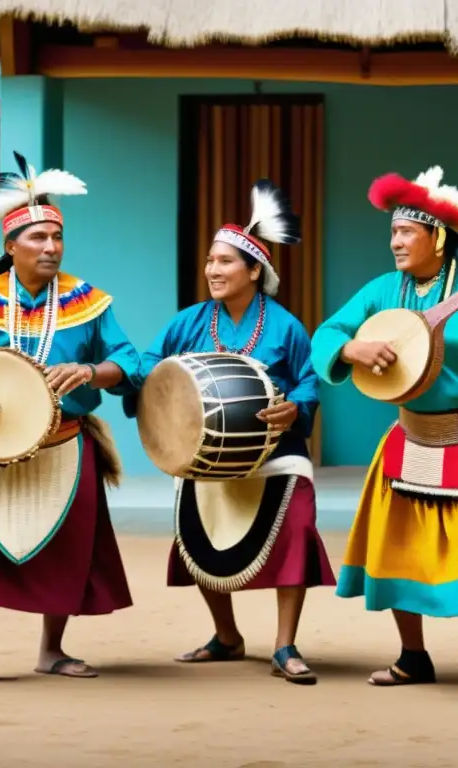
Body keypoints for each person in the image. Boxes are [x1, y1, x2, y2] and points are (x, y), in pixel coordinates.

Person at [0, 151, 141, 686]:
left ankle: (53, 650)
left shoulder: (89, 302)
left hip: (66, 443)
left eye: (57, 238)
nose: (51, 248)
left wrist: (89, 371)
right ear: (10, 246)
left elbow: (128, 362)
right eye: (38, 239)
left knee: (66, 543)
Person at [310, 166, 458, 701]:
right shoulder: (384, 290)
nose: (396, 243)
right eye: (392, 233)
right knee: (399, 542)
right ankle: (412, 657)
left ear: (438, 236)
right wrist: (351, 349)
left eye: (406, 233)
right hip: (410, 434)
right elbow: (328, 332)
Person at [125, 179, 335, 684]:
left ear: (254, 271)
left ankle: (285, 646)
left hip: (276, 453)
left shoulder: (285, 327)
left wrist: (295, 408)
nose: (213, 271)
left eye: (225, 262)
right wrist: (161, 398)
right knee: (198, 540)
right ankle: (227, 636)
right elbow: (149, 366)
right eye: (210, 261)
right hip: (205, 456)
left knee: (297, 529)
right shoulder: (191, 321)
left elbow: (309, 381)